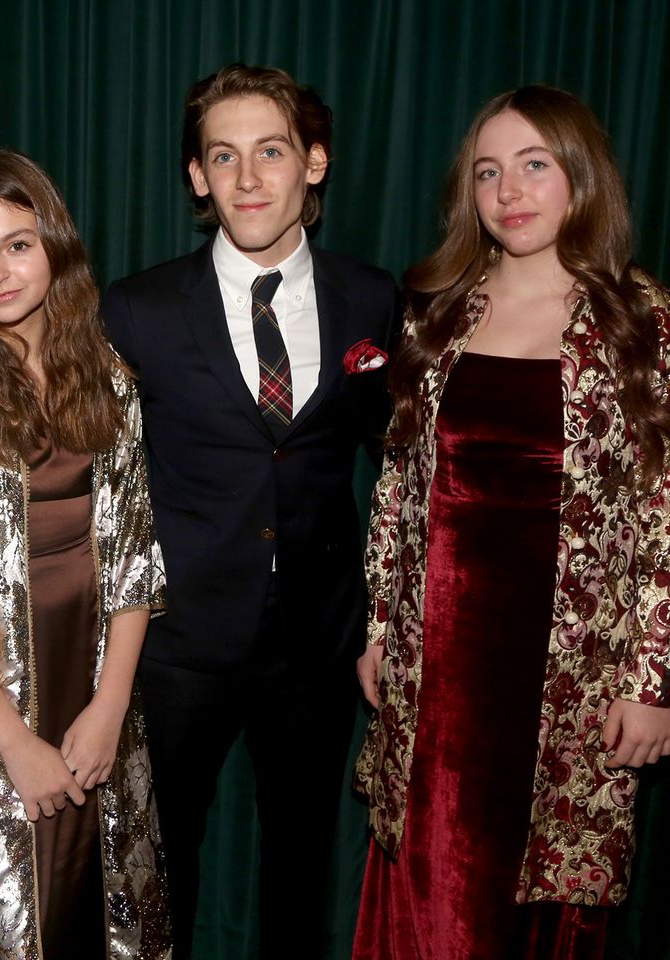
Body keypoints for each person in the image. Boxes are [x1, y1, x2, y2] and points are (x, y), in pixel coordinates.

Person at [353, 84, 670, 959]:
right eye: (489, 172)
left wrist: (653, 681)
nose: (510, 191)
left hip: (571, 677)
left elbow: (662, 517)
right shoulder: (440, 311)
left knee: (537, 898)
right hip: (437, 671)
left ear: (581, 176)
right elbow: (396, 489)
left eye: (534, 165)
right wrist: (383, 623)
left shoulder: (644, 324)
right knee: (428, 881)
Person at [101, 63, 397, 958]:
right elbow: (106, 485)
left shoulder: (373, 298)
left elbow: (399, 473)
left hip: (318, 637)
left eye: (271, 152)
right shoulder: (138, 309)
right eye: (223, 157)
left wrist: (386, 619)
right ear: (197, 176)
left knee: (300, 862)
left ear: (314, 162)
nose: (249, 178)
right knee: (166, 858)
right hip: (180, 638)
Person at [0, 150, 172, 959]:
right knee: (14, 917)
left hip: (95, 678)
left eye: (17, 244)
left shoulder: (108, 375)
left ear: (55, 244)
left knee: (105, 899)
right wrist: (14, 744)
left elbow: (132, 554)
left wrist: (111, 706)